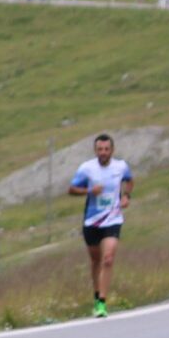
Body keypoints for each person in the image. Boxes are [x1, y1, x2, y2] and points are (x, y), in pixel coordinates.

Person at [68, 134, 133, 318]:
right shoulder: (87, 169)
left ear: (112, 150)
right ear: (95, 151)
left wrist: (126, 196)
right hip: (92, 221)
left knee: (108, 259)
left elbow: (129, 180)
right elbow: (71, 189)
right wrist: (90, 191)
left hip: (112, 219)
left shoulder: (120, 166)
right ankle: (96, 297)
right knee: (96, 261)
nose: (103, 153)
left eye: (106, 149)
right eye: (100, 150)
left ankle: (102, 304)